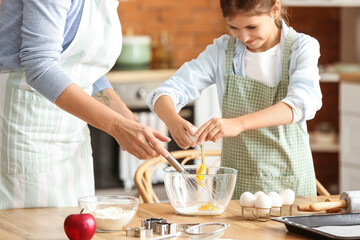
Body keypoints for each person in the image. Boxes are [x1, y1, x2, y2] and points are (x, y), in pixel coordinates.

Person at [0, 0, 170, 209]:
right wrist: (117, 126)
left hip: (72, 141)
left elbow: (87, 73)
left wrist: (130, 121)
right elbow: (40, 67)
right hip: (25, 132)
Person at [147, 0, 322, 198]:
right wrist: (174, 121)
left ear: (275, 10)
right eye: (233, 27)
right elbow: (164, 92)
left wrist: (239, 124)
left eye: (252, 27)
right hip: (237, 186)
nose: (244, 37)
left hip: (290, 185)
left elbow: (301, 103)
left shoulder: (300, 47)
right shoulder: (222, 51)